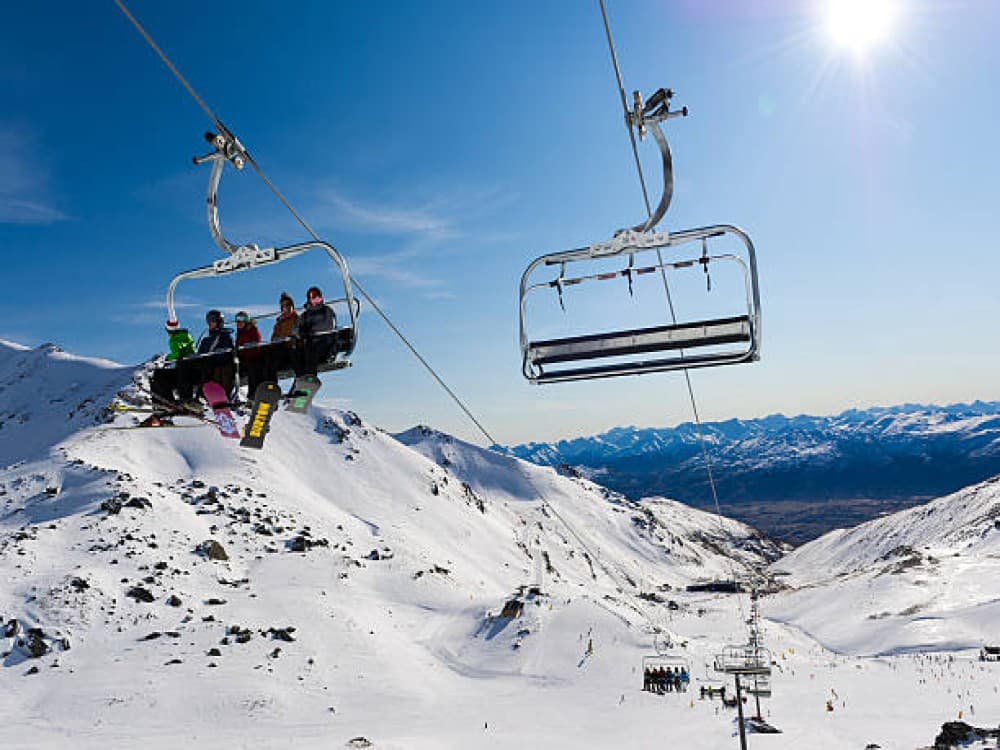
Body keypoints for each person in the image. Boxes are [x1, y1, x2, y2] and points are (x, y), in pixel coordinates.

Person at [291, 285, 337, 377]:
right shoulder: (305, 315)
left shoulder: (326, 311)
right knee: (295, 353)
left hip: (325, 343)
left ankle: (311, 377)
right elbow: (294, 329)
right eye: (312, 297)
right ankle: (300, 378)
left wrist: (312, 330)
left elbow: (329, 326)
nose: (314, 299)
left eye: (316, 296)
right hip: (309, 343)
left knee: (311, 349)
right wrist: (300, 333)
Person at [151, 318, 198, 406]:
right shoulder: (186, 335)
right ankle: (167, 402)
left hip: (189, 370)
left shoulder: (175, 339)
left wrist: (168, 358)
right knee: (159, 374)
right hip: (190, 368)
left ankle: (171, 401)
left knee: (160, 375)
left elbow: (178, 354)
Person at [196, 309, 236, 397]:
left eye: (213, 320)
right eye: (208, 321)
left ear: (219, 322)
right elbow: (200, 354)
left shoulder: (225, 337)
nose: (210, 323)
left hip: (217, 364)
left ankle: (203, 395)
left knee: (210, 368)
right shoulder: (205, 340)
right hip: (205, 364)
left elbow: (227, 353)